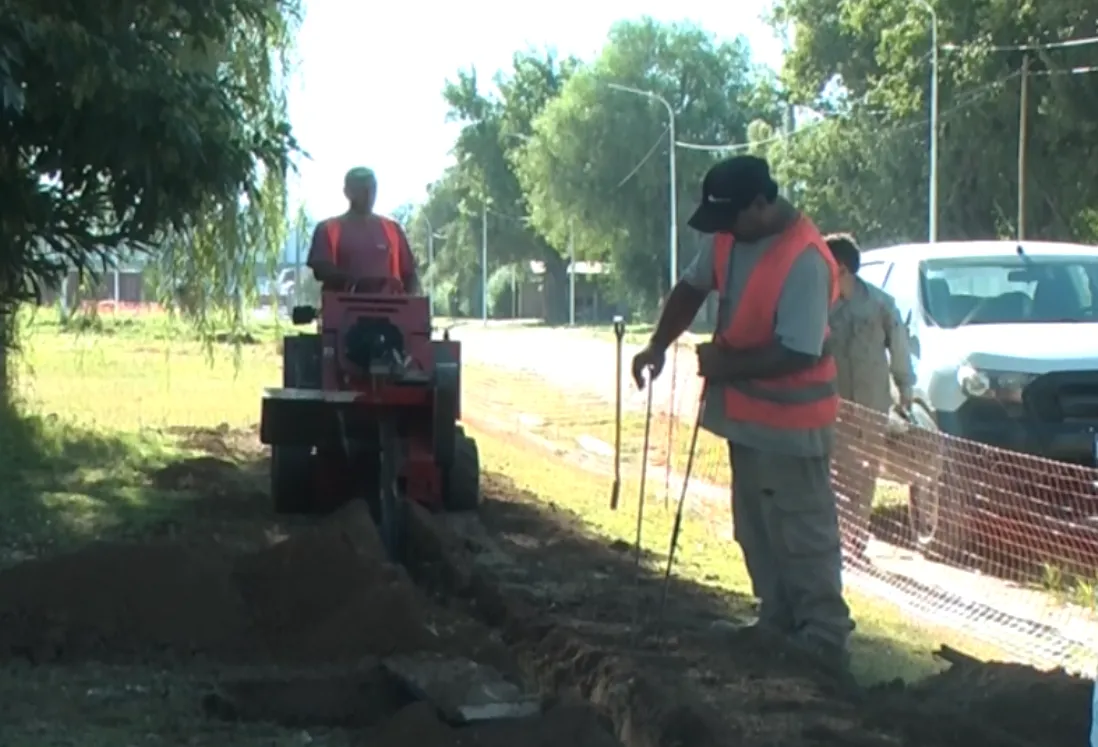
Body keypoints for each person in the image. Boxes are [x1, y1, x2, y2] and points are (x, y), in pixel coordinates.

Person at [631, 156, 854, 673]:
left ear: (761, 202)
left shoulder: (805, 258)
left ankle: (823, 639)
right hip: (748, 422)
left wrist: (726, 365)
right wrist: (658, 344)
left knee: (802, 531)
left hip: (794, 430)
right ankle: (776, 620)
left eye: (731, 218)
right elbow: (690, 287)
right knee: (755, 527)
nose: (723, 231)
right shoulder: (730, 235)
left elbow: (797, 351)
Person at [825, 233, 916, 561]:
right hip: (831, 405)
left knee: (866, 472)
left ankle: (857, 538)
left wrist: (905, 389)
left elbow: (899, 346)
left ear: (843, 269)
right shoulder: (819, 305)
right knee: (835, 471)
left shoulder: (879, 304)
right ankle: (835, 536)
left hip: (872, 405)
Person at [307, 167, 419, 294]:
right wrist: (355, 283)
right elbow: (321, 270)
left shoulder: (392, 229)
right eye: (362, 189)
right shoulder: (328, 229)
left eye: (372, 189)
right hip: (343, 309)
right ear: (347, 192)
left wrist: (410, 306)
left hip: (390, 309)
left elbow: (410, 274)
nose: (369, 194)